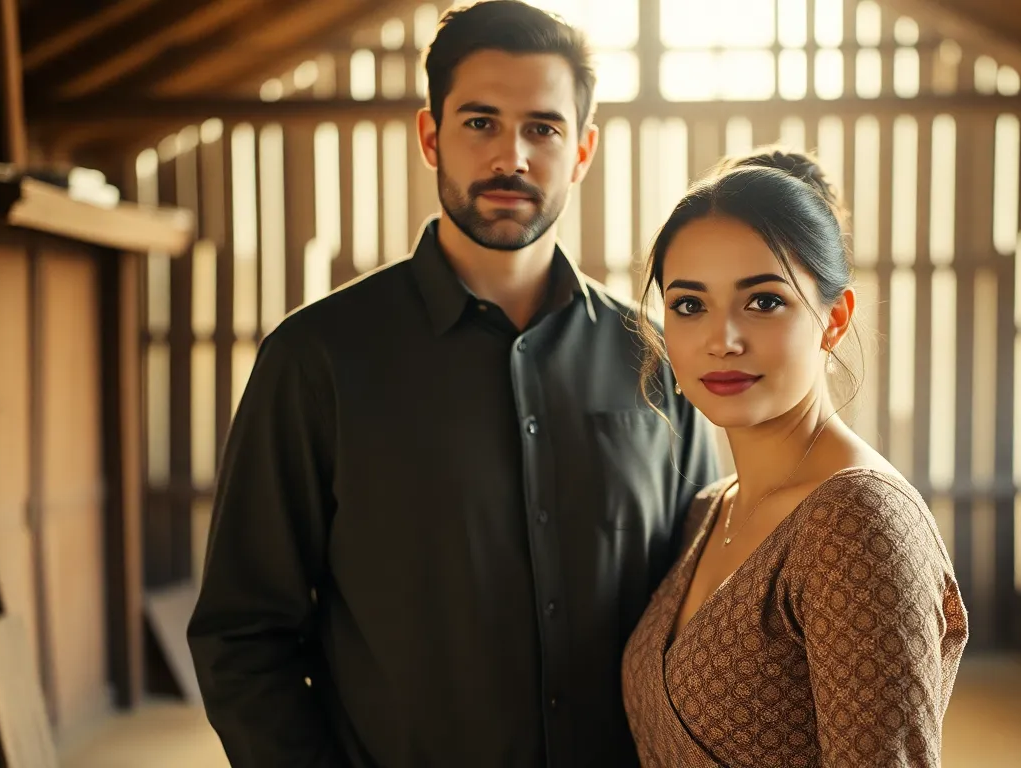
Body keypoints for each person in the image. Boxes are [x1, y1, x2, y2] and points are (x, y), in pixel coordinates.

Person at [187, 2, 718, 766]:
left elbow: (697, 612)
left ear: (583, 150)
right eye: (480, 122)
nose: (513, 156)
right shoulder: (316, 359)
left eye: (543, 127)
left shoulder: (657, 360)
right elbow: (242, 635)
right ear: (431, 136)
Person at [621, 148, 968, 767]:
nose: (721, 339)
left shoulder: (856, 522)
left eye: (763, 301)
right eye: (689, 304)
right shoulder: (710, 509)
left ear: (834, 319)